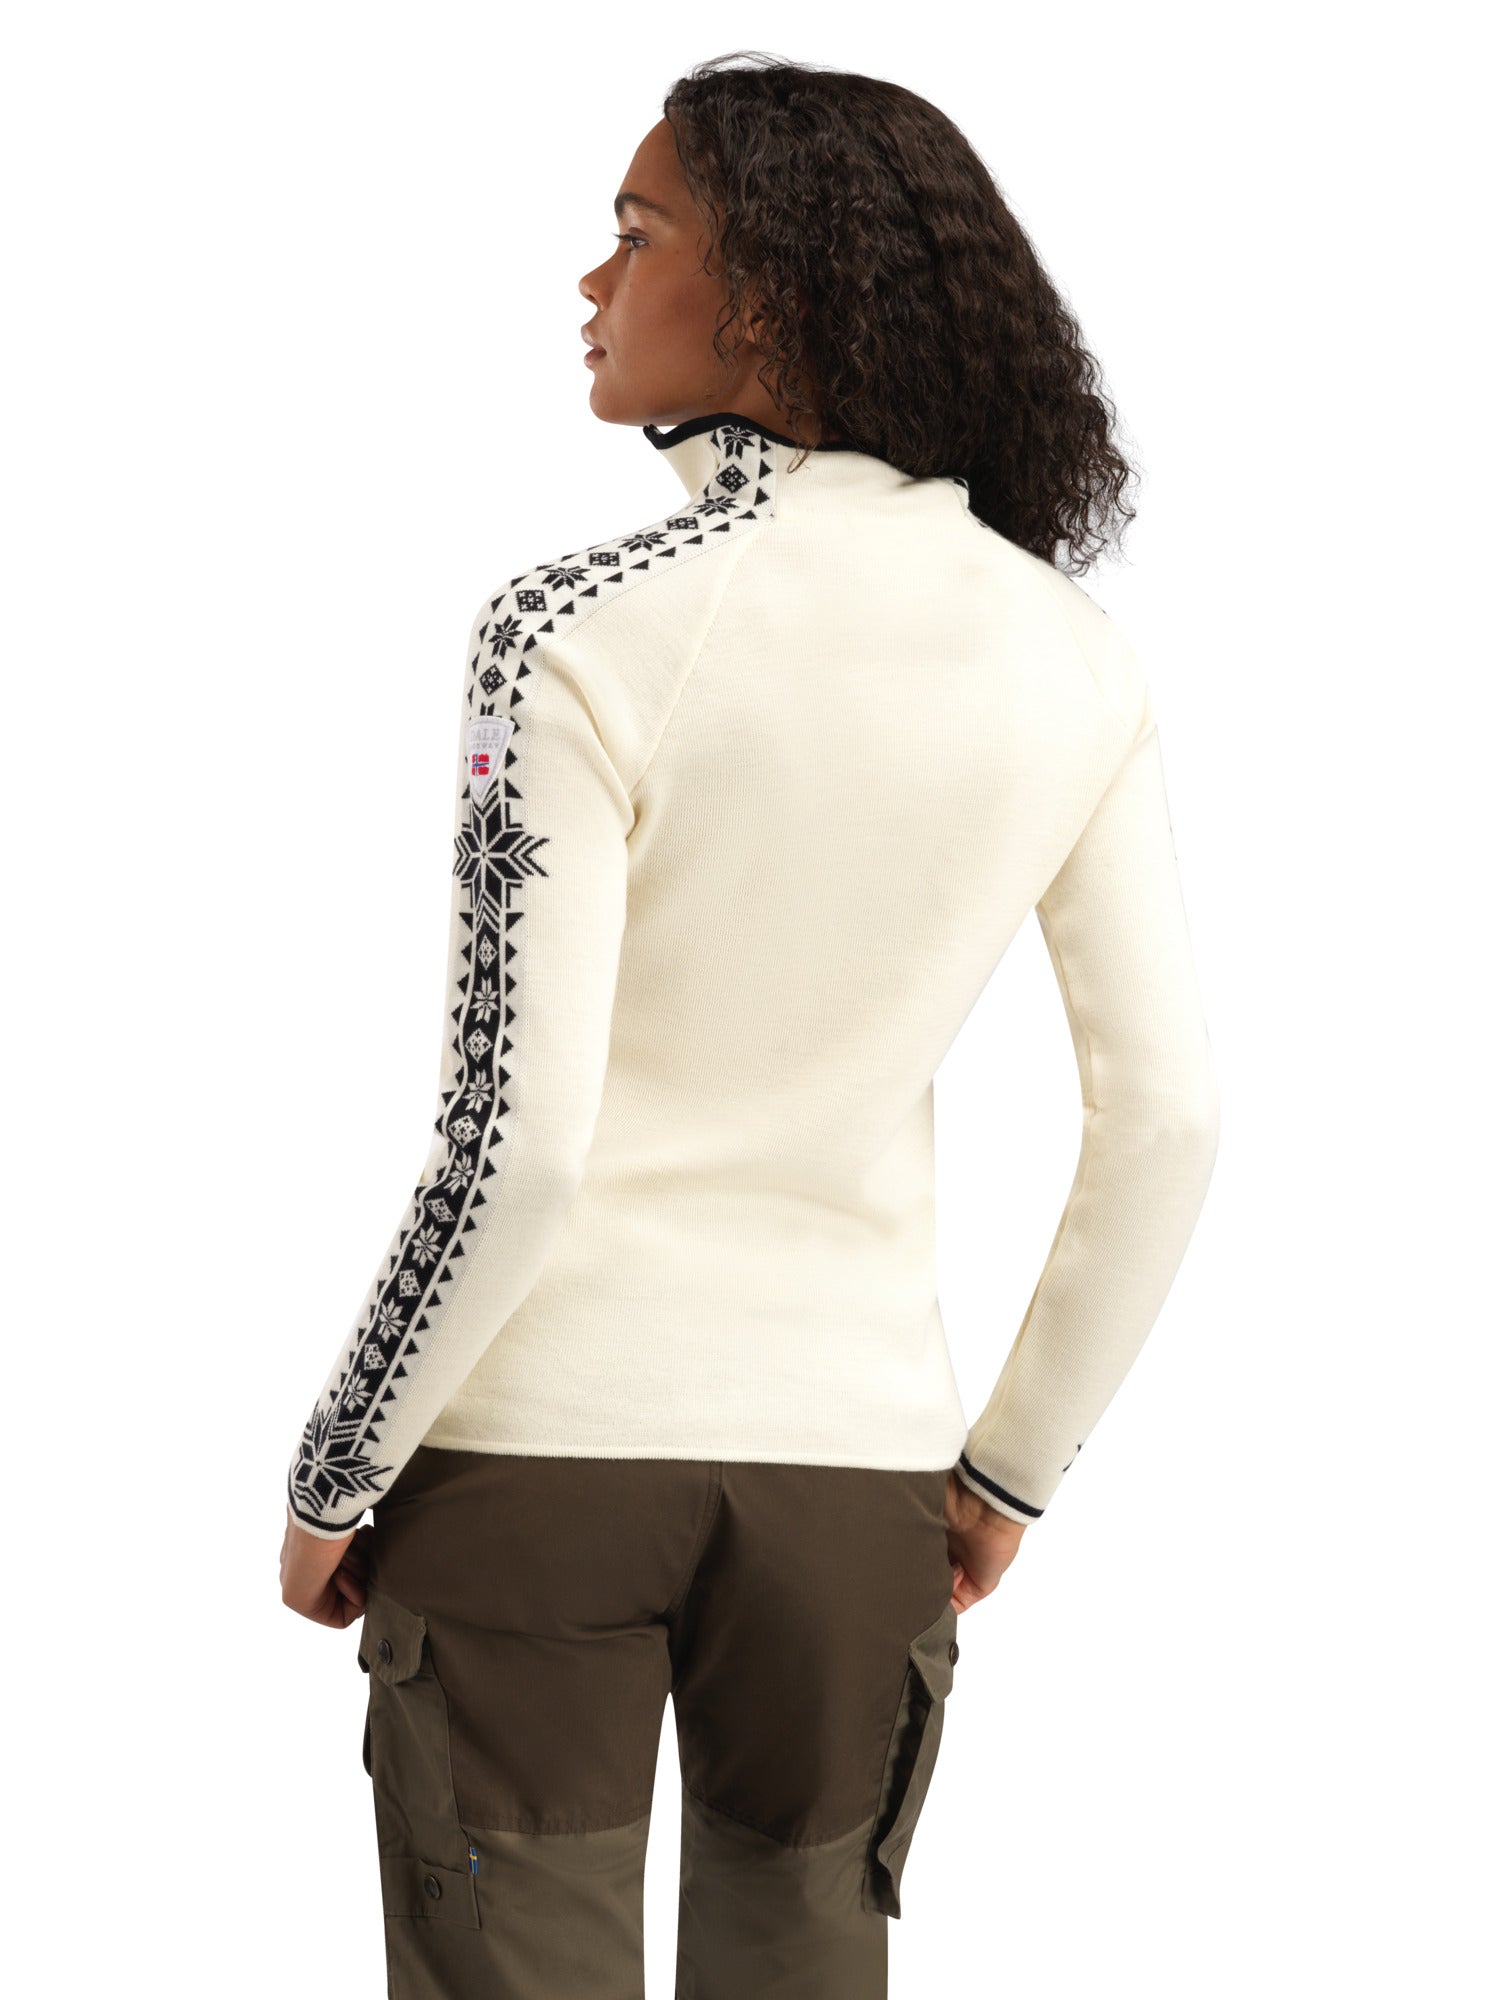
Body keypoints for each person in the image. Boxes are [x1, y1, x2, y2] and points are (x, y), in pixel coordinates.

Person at [279, 53, 1220, 2000]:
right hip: (855, 1484)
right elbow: (1170, 1122)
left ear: (775, 291)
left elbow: (516, 1145)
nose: (591, 282)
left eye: (637, 235)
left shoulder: (574, 628)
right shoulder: (1076, 657)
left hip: (537, 1464)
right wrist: (1005, 1475)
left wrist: (337, 1467)